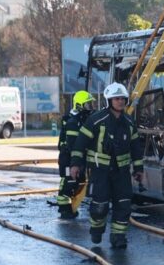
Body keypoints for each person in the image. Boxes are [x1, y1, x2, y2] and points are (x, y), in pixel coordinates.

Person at [70, 83, 144, 249]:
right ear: (109, 100)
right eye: (116, 99)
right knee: (100, 205)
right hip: (100, 171)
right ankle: (96, 229)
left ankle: (118, 237)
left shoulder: (129, 122)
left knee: (124, 204)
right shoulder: (96, 120)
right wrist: (75, 164)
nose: (120, 102)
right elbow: (80, 142)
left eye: (123, 99)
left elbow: (136, 147)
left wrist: (138, 169)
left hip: (122, 173)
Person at [56, 90, 95, 219]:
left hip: (75, 159)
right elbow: (73, 145)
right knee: (69, 182)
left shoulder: (81, 120)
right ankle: (64, 209)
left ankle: (70, 207)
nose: (90, 108)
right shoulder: (73, 122)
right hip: (68, 159)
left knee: (79, 181)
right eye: (88, 105)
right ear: (79, 105)